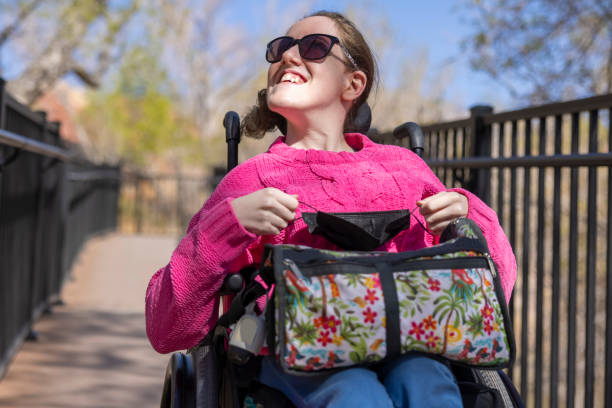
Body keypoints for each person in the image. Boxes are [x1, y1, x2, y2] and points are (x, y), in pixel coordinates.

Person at [146, 10, 517, 408]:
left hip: (412, 343)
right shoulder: (252, 179)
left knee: (427, 382)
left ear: (353, 83)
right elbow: (168, 328)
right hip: (301, 353)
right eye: (279, 49)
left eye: (314, 47)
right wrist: (227, 226)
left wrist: (470, 214)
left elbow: (497, 292)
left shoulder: (405, 168)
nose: (288, 57)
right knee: (354, 392)